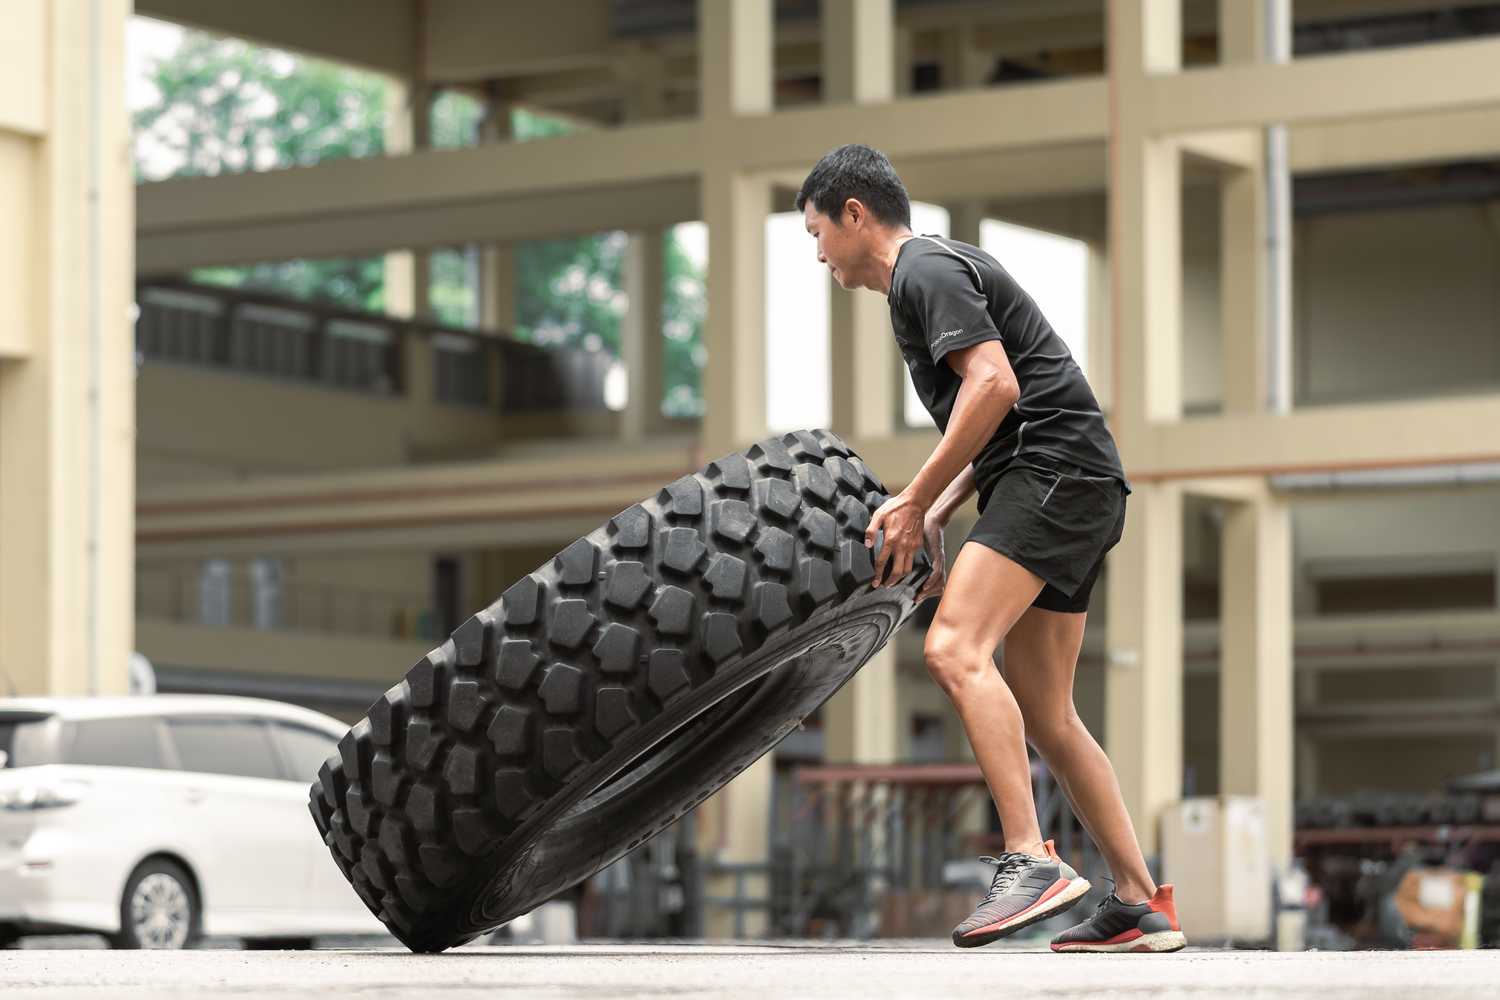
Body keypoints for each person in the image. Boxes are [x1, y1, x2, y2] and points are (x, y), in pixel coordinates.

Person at [795, 144, 1185, 953]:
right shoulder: (941, 269)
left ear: (855, 214)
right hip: (1070, 478)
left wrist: (907, 498)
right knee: (1047, 710)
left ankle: (1027, 857)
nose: (819, 254)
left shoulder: (921, 272)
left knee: (953, 646)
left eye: (817, 233)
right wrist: (940, 503)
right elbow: (1003, 406)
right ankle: (1140, 901)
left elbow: (996, 386)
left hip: (1051, 473)